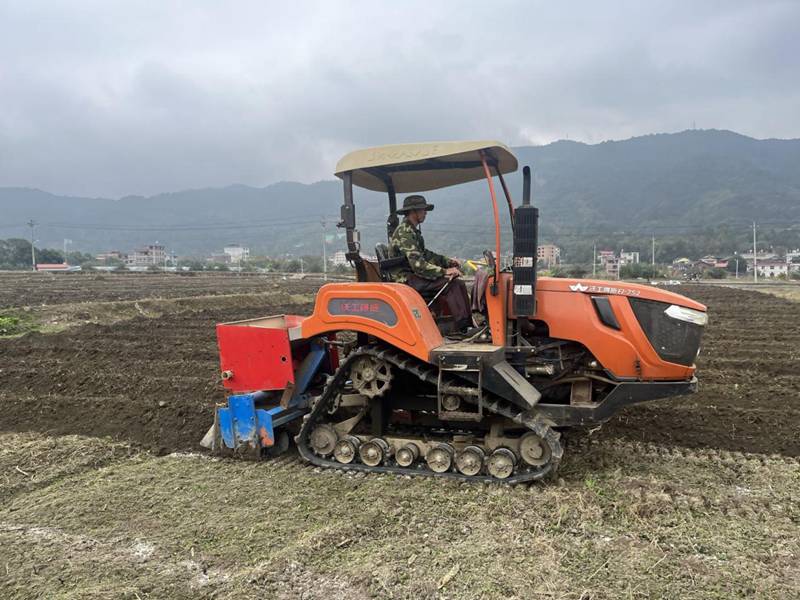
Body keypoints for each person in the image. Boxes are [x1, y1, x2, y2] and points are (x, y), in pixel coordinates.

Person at [387, 195, 472, 331]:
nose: (425, 212)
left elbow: (425, 254)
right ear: (413, 212)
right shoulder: (405, 232)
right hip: (405, 279)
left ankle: (467, 325)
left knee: (458, 283)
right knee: (453, 284)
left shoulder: (413, 231)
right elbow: (418, 265)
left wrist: (447, 261)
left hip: (413, 275)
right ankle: (464, 328)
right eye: (422, 210)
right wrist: (444, 271)